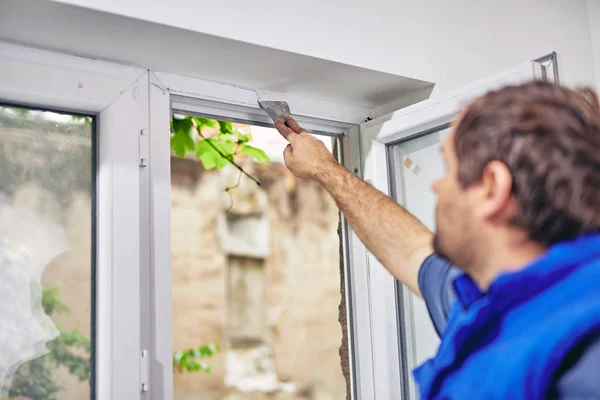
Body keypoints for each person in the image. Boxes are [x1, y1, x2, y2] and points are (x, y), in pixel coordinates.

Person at [273, 81, 600, 399]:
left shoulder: (585, 355)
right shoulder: (484, 301)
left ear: (492, 187)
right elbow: (411, 248)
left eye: (449, 169)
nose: (437, 186)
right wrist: (323, 167)